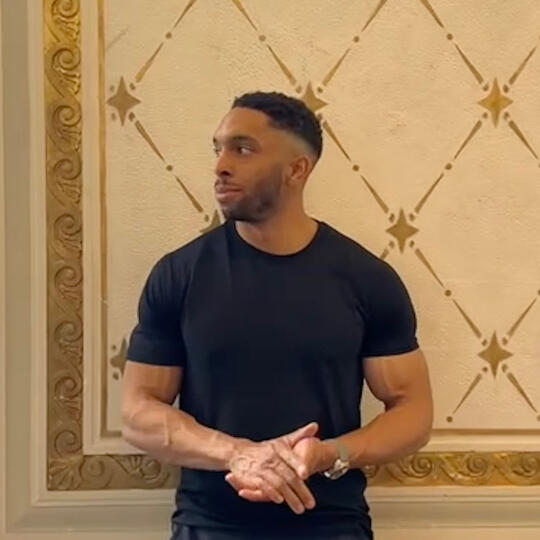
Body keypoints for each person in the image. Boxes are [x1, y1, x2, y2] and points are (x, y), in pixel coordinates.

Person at [121, 91, 433, 540]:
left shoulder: (367, 279)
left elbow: (413, 412)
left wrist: (329, 454)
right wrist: (237, 454)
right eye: (218, 149)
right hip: (209, 526)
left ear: (297, 169)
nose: (220, 166)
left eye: (243, 149)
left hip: (331, 525)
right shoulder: (180, 275)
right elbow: (137, 411)